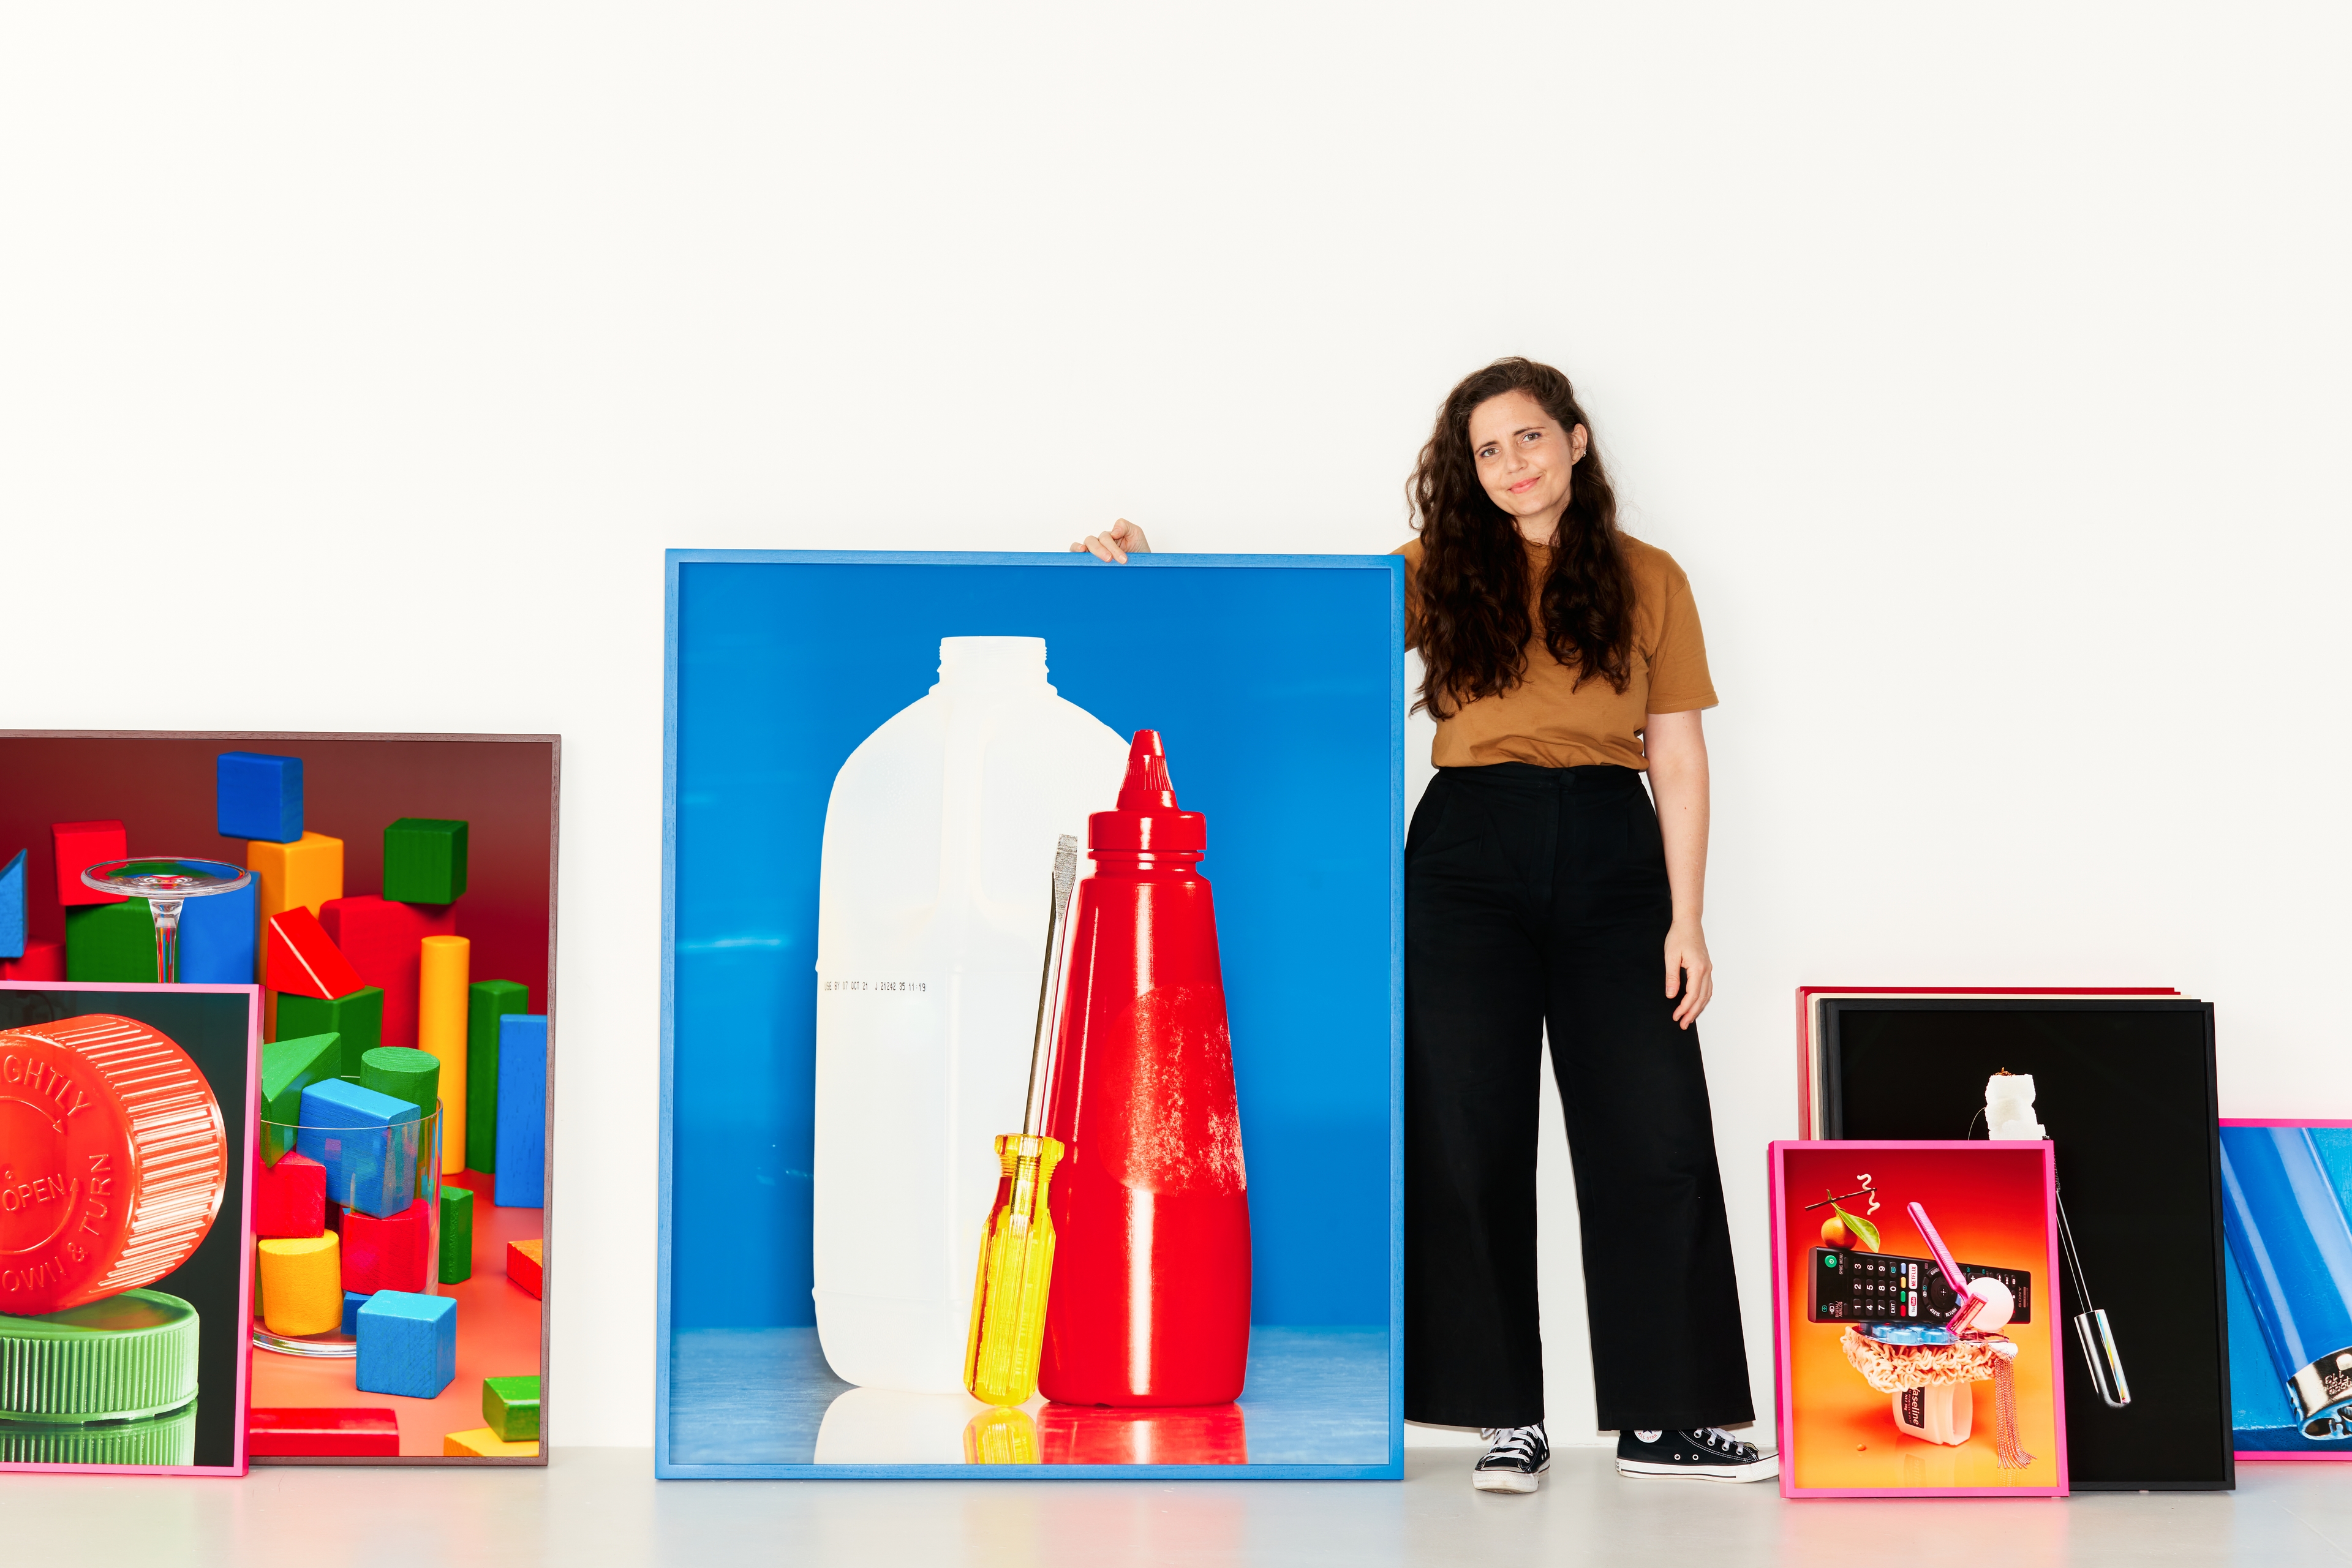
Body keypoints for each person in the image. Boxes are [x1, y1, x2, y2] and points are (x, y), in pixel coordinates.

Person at [1071, 356, 1771, 1492]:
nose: (1512, 465)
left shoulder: (1651, 577)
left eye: (1530, 437)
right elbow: (1296, 625)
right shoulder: (1436, 569)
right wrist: (1155, 569)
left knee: (1654, 1131)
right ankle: (1505, 1417)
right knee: (1465, 1128)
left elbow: (1679, 757)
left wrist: (1687, 918)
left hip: (1614, 850)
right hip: (1466, 853)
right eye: (1487, 450)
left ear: (1576, 440)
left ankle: (1668, 1418)